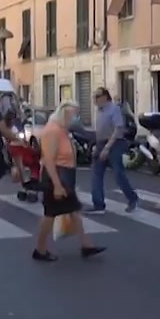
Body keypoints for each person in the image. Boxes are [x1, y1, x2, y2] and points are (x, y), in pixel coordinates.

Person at [33, 100, 106, 262]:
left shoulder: (63, 130)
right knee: (50, 214)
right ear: (64, 114)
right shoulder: (52, 131)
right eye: (74, 114)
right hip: (56, 178)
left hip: (64, 176)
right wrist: (57, 185)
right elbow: (49, 160)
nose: (76, 118)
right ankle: (40, 249)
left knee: (73, 211)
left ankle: (86, 245)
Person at [87, 87, 139, 214]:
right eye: (94, 97)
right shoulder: (98, 111)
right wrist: (96, 145)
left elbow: (118, 129)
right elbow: (99, 129)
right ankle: (98, 204)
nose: (95, 100)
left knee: (118, 173)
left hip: (114, 143)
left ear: (105, 96)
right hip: (100, 143)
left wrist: (107, 147)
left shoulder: (114, 109)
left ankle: (132, 198)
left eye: (97, 97)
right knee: (96, 173)